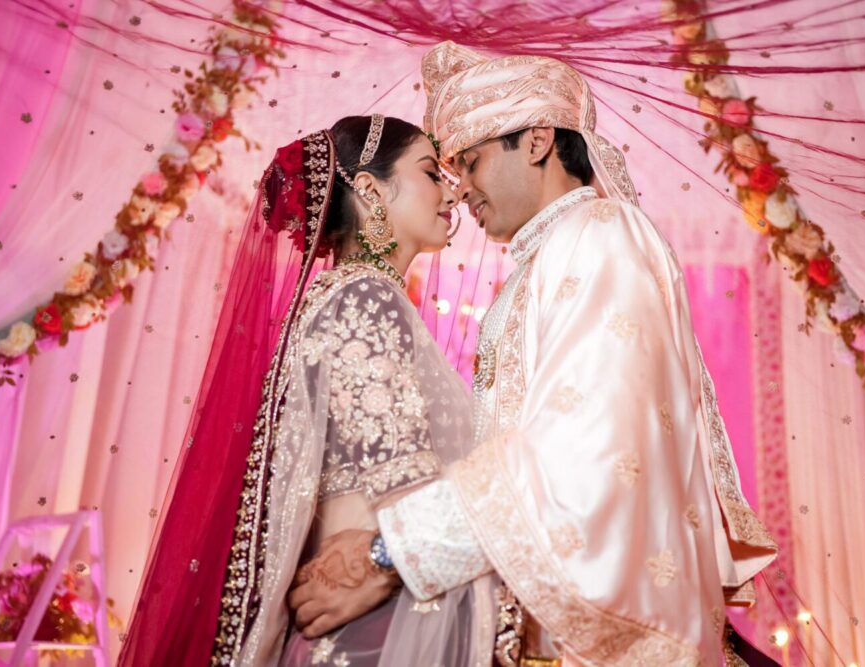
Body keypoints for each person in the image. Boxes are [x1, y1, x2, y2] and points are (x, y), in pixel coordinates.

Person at [288, 42, 779, 666]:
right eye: (446, 170)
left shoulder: (601, 233)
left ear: (539, 141)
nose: (459, 190)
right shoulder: (547, 258)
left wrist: (391, 554)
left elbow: (585, 448)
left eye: (470, 161)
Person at [118, 114, 498, 666]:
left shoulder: (342, 296)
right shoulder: (366, 298)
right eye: (430, 172)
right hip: (377, 617)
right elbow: (406, 489)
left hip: (361, 615)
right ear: (369, 189)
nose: (453, 193)